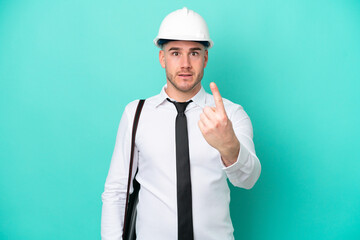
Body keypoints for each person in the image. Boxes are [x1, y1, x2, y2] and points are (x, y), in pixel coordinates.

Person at [101, 7, 261, 240]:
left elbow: (248, 179)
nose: (185, 63)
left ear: (205, 58)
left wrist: (229, 146)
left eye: (194, 53)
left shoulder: (231, 114)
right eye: (176, 53)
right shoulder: (135, 114)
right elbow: (116, 192)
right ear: (162, 58)